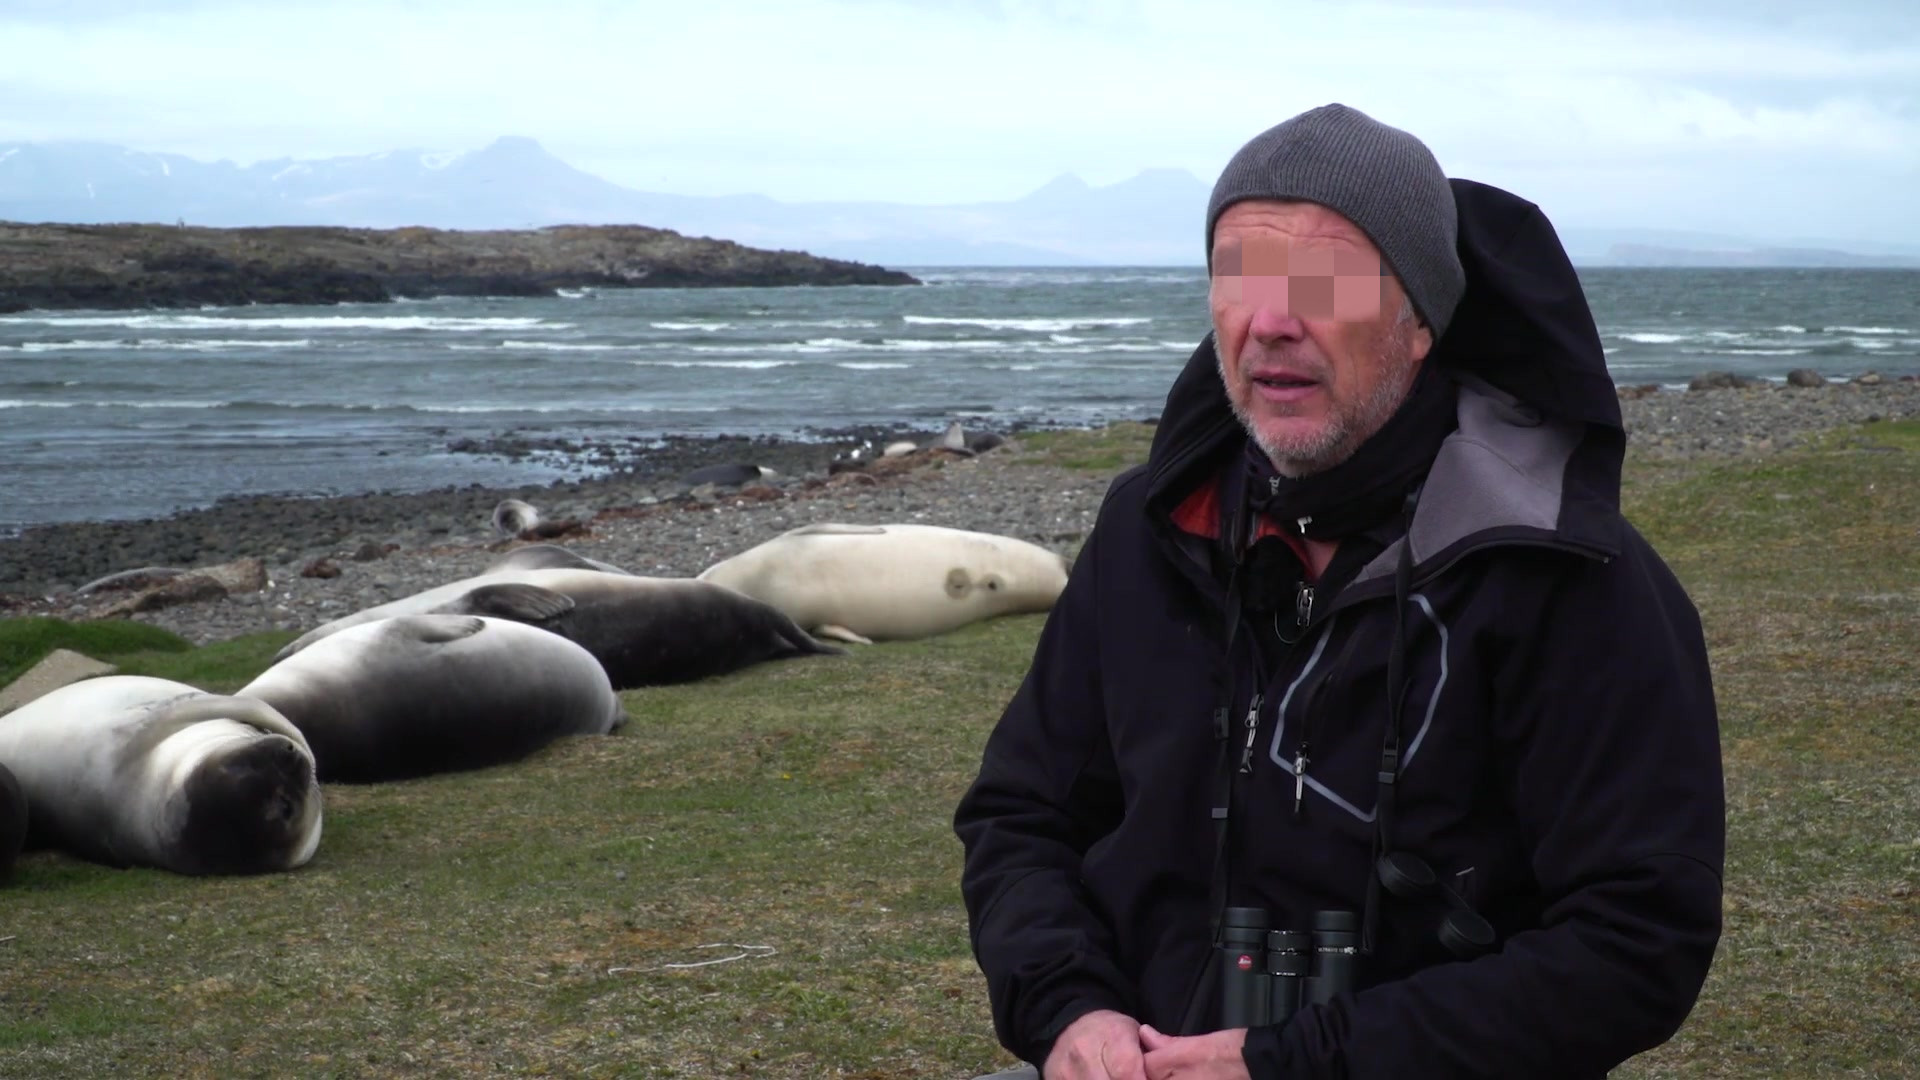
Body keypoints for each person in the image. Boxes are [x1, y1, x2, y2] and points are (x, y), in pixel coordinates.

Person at [951, 103, 1726, 1079]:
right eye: (1240, 280)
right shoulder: (1149, 534)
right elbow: (1021, 816)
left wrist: (1296, 1061)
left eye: (1324, 285)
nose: (1273, 322)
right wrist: (1069, 1011)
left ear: (1418, 323)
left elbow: (1635, 942)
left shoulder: (1567, 579)